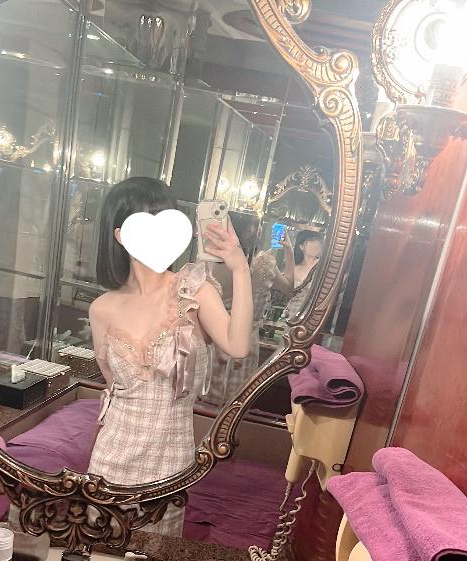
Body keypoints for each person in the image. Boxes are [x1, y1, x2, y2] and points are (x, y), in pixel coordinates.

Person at [87, 176, 253, 536]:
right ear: (120, 235)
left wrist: (240, 267)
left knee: (154, 560)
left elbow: (238, 346)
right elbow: (113, 391)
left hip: (169, 462)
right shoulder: (102, 308)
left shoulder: (194, 291)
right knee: (100, 555)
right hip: (110, 461)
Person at [206, 211, 295, 406]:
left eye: (259, 224)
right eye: (253, 225)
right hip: (233, 338)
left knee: (216, 399)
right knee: (230, 402)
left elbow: (289, 289)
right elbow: (289, 288)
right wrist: (289, 250)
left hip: (222, 339)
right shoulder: (261, 264)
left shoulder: (213, 263)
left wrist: (288, 250)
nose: (258, 230)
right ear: (238, 230)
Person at [282, 229, 323, 321]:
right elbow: (285, 290)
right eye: (312, 240)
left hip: (312, 317)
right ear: (301, 246)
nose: (318, 243)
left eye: (320, 241)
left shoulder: (322, 267)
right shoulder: (294, 267)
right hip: (291, 315)